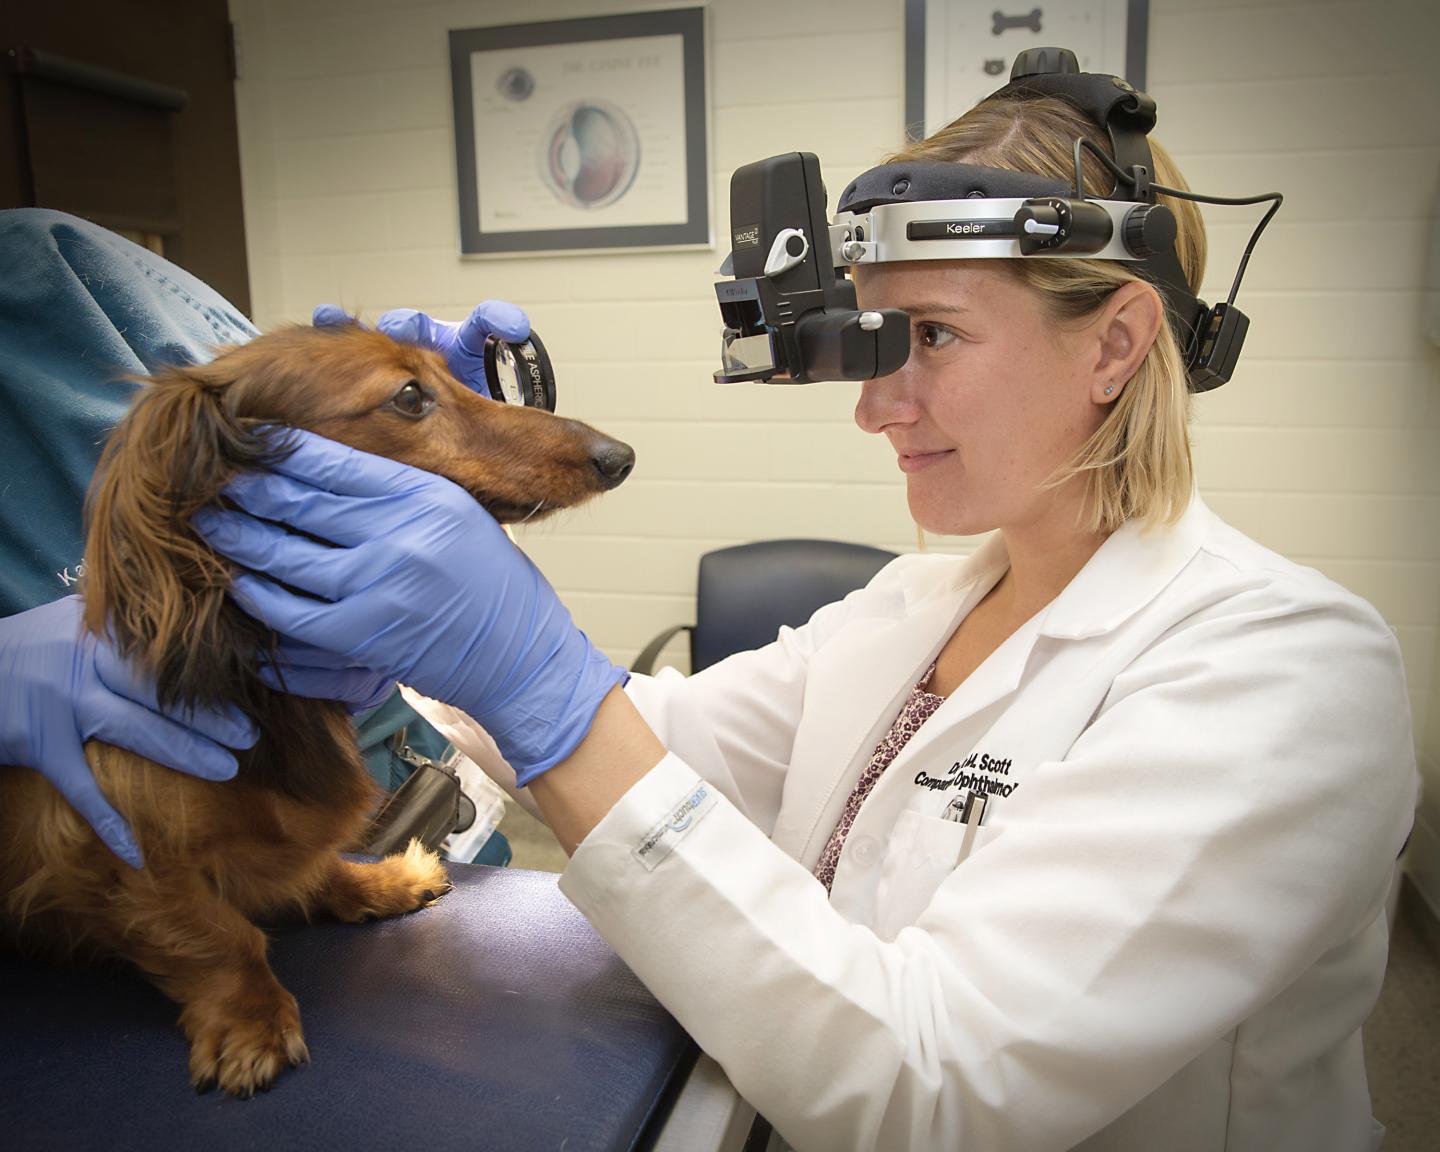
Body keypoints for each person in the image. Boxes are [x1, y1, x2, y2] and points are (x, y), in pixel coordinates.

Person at [4, 90, 1417, 1152]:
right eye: (868, 342)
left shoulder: (1285, 673)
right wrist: (351, 651)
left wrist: (532, 670)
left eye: (929, 338)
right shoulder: (921, 603)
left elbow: (941, 1090)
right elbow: (648, 734)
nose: (873, 403)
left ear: (1114, 345)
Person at [0, 207, 523, 866]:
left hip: (395, 807)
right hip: (149, 876)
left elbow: (332, 490)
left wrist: (449, 450)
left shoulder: (57, 267)